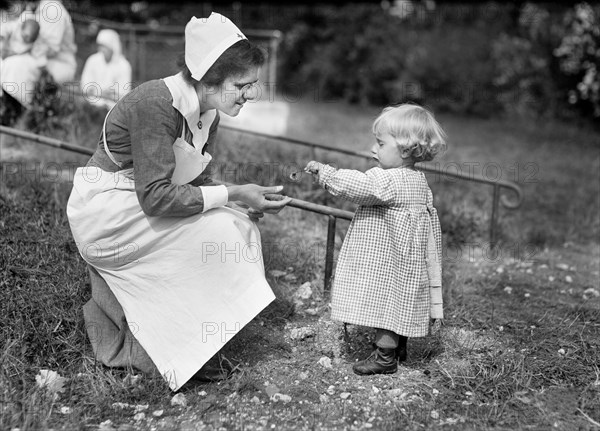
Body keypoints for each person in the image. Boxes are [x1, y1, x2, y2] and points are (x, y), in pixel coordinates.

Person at [66, 13, 292, 391]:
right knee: (218, 232)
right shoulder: (156, 102)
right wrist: (233, 193)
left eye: (254, 84)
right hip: (109, 212)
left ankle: (193, 342)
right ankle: (164, 348)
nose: (252, 95)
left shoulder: (207, 113)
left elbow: (196, 182)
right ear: (207, 79)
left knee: (236, 225)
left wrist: (238, 204)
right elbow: (155, 196)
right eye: (243, 85)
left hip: (138, 205)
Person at [304, 104, 446, 375]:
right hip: (409, 259)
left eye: (380, 143)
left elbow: (359, 186)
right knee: (401, 301)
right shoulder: (418, 180)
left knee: (386, 303)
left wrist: (326, 173)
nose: (373, 149)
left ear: (405, 149)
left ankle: (385, 358)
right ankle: (398, 348)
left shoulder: (389, 180)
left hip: (390, 259)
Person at [0, 0, 76, 107]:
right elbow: (17, 26)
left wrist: (16, 51)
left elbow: (50, 50)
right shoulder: (33, 6)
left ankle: (18, 110)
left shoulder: (53, 10)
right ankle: (6, 105)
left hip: (58, 63)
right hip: (36, 56)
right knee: (7, 61)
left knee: (17, 64)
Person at [80, 28, 133, 109]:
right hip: (91, 105)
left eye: (105, 46)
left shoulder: (124, 65)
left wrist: (106, 94)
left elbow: (123, 94)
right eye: (100, 46)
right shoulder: (92, 60)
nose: (102, 50)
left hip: (113, 108)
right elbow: (85, 86)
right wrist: (101, 93)